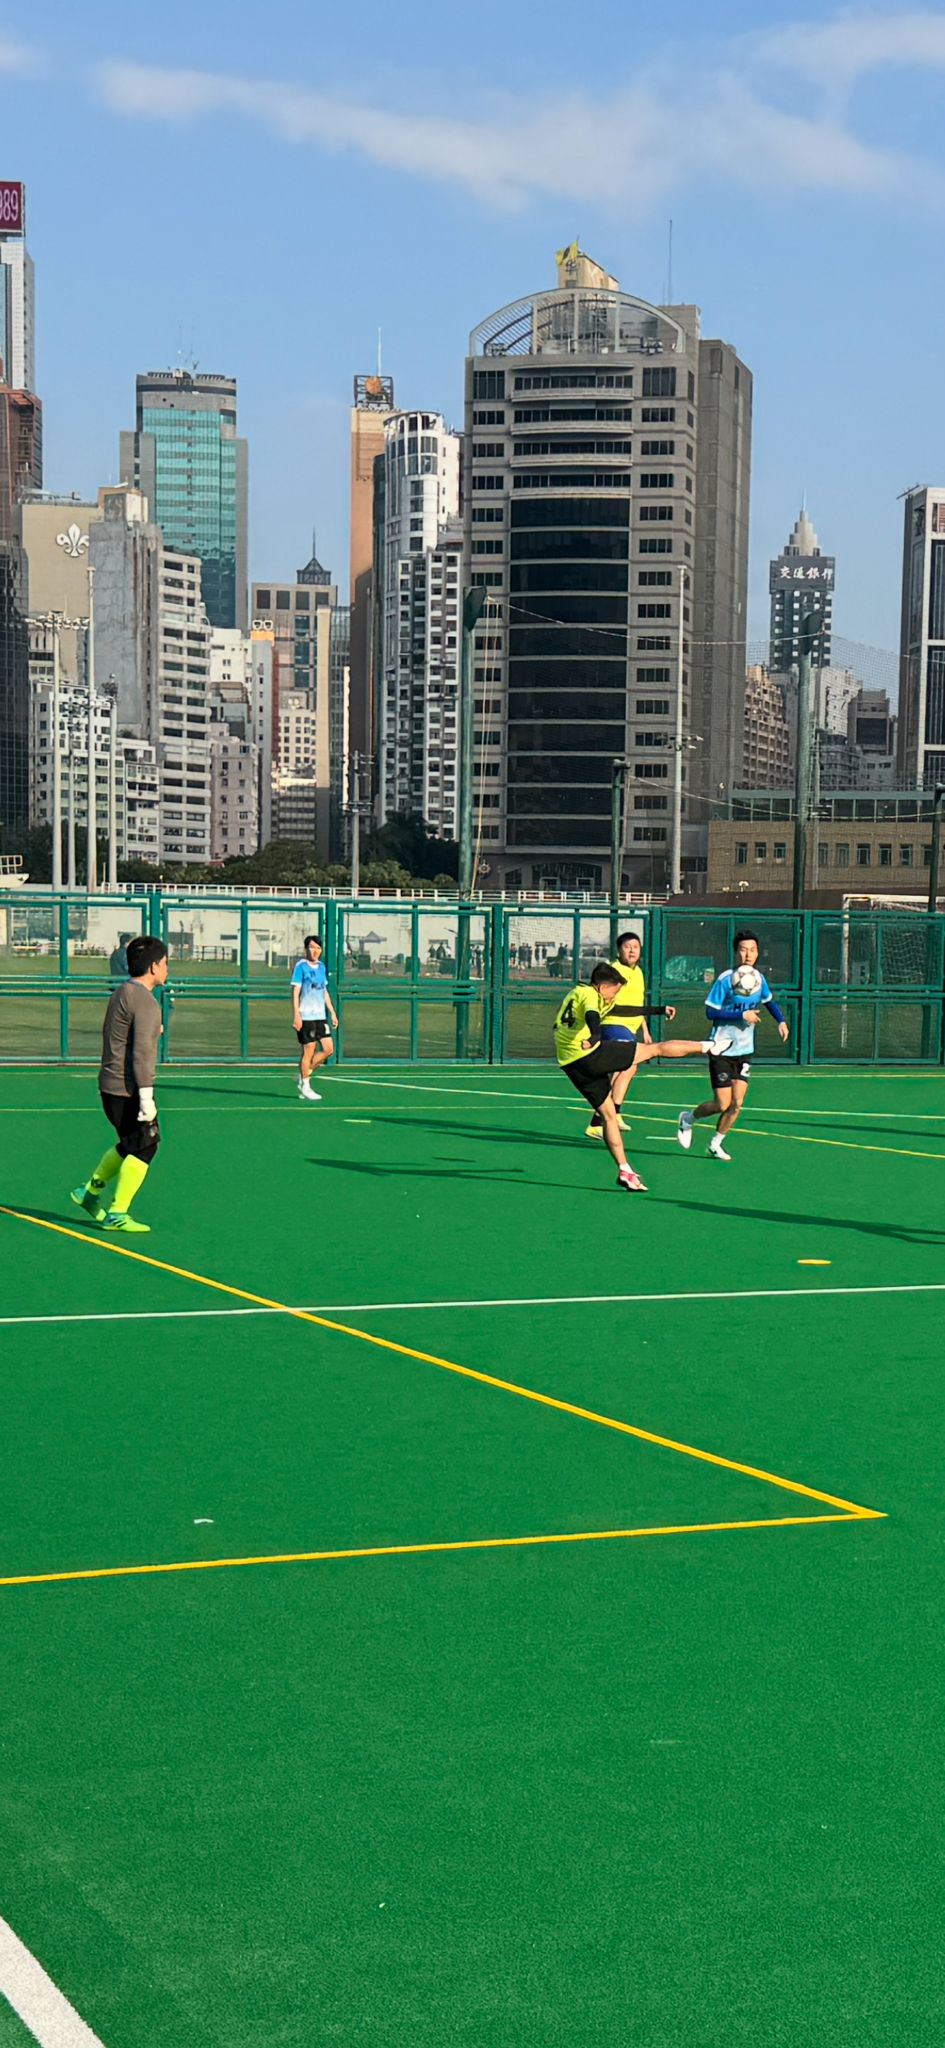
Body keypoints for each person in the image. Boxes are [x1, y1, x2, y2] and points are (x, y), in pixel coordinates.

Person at [555, 963, 712, 1193]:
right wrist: (596, 1037)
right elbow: (592, 1017)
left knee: (608, 1115)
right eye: (614, 991)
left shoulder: (579, 992)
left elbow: (623, 1010)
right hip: (590, 1054)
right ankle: (708, 1047)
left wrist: (658, 1010)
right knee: (654, 1049)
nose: (614, 996)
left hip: (572, 1064)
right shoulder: (590, 995)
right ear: (602, 987)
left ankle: (624, 1170)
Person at [70, 935, 168, 1234]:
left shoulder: (123, 991)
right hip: (127, 1088)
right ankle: (117, 1212)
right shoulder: (146, 1002)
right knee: (146, 1146)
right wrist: (146, 1098)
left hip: (110, 1085)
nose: (167, 969)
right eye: (165, 963)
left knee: (131, 1143)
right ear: (154, 967)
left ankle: (89, 1192)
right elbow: (142, 1054)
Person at [677, 929, 789, 1163]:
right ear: (736, 952)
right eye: (743, 949)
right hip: (722, 1049)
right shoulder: (725, 979)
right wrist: (742, 1014)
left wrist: (781, 1021)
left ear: (758, 953)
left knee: (737, 1104)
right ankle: (688, 1118)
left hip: (744, 1051)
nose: (748, 954)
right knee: (722, 1103)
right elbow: (710, 1012)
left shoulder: (759, 979)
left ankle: (715, 1144)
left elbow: (769, 1001)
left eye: (753, 950)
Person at [584, 930, 658, 1140]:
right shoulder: (613, 971)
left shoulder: (639, 972)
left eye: (635, 947)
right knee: (628, 1064)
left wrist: (645, 1029)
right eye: (627, 947)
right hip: (613, 1024)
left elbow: (636, 1005)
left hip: (629, 1028)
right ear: (619, 951)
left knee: (625, 1069)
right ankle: (607, 1116)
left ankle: (607, 1117)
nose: (632, 950)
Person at [291, 934, 338, 1102]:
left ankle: (304, 1073)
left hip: (320, 1016)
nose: (315, 951)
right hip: (306, 1016)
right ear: (306, 949)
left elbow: (324, 991)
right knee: (309, 1050)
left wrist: (332, 1012)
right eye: (312, 947)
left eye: (318, 948)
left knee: (328, 1049)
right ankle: (306, 1086)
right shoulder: (301, 967)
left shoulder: (322, 967)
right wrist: (296, 1015)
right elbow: (296, 992)